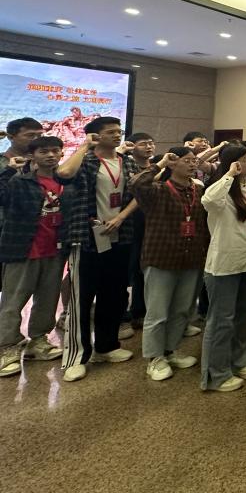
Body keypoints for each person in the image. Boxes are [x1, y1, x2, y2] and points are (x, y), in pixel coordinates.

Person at [56, 117, 140, 382]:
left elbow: (138, 194)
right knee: (82, 298)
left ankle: (106, 346)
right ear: (95, 135)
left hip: (119, 236)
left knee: (114, 294)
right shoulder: (87, 160)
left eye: (119, 131)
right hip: (88, 237)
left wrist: (121, 217)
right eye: (110, 132)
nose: (117, 135)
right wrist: (84, 146)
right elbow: (64, 174)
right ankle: (76, 356)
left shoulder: (126, 162)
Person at [128, 148, 208, 381]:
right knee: (158, 312)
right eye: (187, 161)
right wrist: (160, 164)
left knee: (182, 310)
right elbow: (136, 184)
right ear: (173, 164)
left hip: (191, 258)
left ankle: (170, 350)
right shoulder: (158, 190)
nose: (192, 164)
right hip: (162, 257)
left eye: (194, 161)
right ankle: (154, 358)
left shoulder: (198, 190)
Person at [199, 144, 246, 393]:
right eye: (245, 159)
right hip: (226, 263)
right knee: (221, 319)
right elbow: (208, 201)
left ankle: (239, 360)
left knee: (242, 314)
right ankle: (216, 373)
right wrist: (229, 174)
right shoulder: (220, 188)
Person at [0, 136, 66, 376]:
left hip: (55, 250)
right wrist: (9, 171)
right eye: (44, 151)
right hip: (24, 249)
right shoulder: (21, 181)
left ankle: (38, 341)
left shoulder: (65, 180)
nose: (50, 155)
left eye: (55, 151)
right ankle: (6, 347)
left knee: (48, 299)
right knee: (13, 301)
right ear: (32, 155)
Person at [0, 118, 44, 293]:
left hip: (31, 233)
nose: (36, 139)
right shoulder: (3, 163)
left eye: (40, 135)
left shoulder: (44, 166)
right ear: (11, 137)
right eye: (30, 135)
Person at [122, 131, 156, 333]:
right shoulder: (126, 166)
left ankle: (141, 310)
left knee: (146, 268)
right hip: (131, 223)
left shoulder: (157, 166)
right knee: (132, 268)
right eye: (144, 144)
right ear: (131, 146)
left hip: (153, 223)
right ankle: (129, 313)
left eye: (151, 143)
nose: (149, 147)